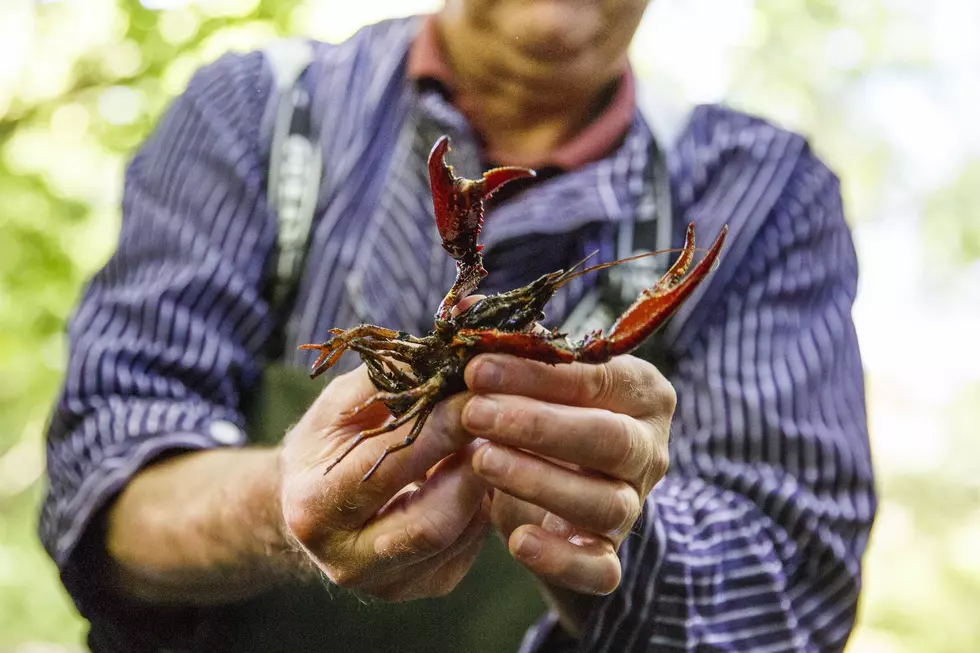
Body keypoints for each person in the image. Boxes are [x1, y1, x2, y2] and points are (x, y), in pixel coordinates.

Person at [40, 2, 876, 652]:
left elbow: (795, 594)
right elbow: (103, 465)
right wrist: (283, 497)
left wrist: (605, 523)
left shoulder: (767, 191)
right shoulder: (256, 109)